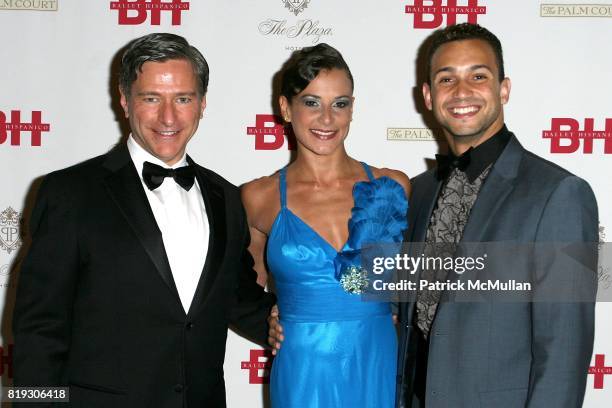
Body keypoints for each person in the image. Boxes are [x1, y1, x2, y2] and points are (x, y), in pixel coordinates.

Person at [13, 33, 275, 408]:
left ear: (202, 104)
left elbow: (240, 299)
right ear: (124, 100)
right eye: (151, 98)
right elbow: (38, 330)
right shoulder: (69, 193)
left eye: (182, 98)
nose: (168, 117)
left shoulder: (227, 198)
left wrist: (323, 318)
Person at [395, 24, 598, 408]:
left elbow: (564, 349)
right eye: (446, 79)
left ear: (503, 89)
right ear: (428, 95)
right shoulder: (417, 191)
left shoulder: (559, 194)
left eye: (478, 76)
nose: (461, 92)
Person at [242, 43, 411, 407]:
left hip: (377, 358)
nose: (327, 119)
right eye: (311, 102)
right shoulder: (259, 197)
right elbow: (243, 291)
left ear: (353, 108)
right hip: (304, 366)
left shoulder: (392, 186)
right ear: (286, 108)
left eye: (340, 103)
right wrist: (267, 318)